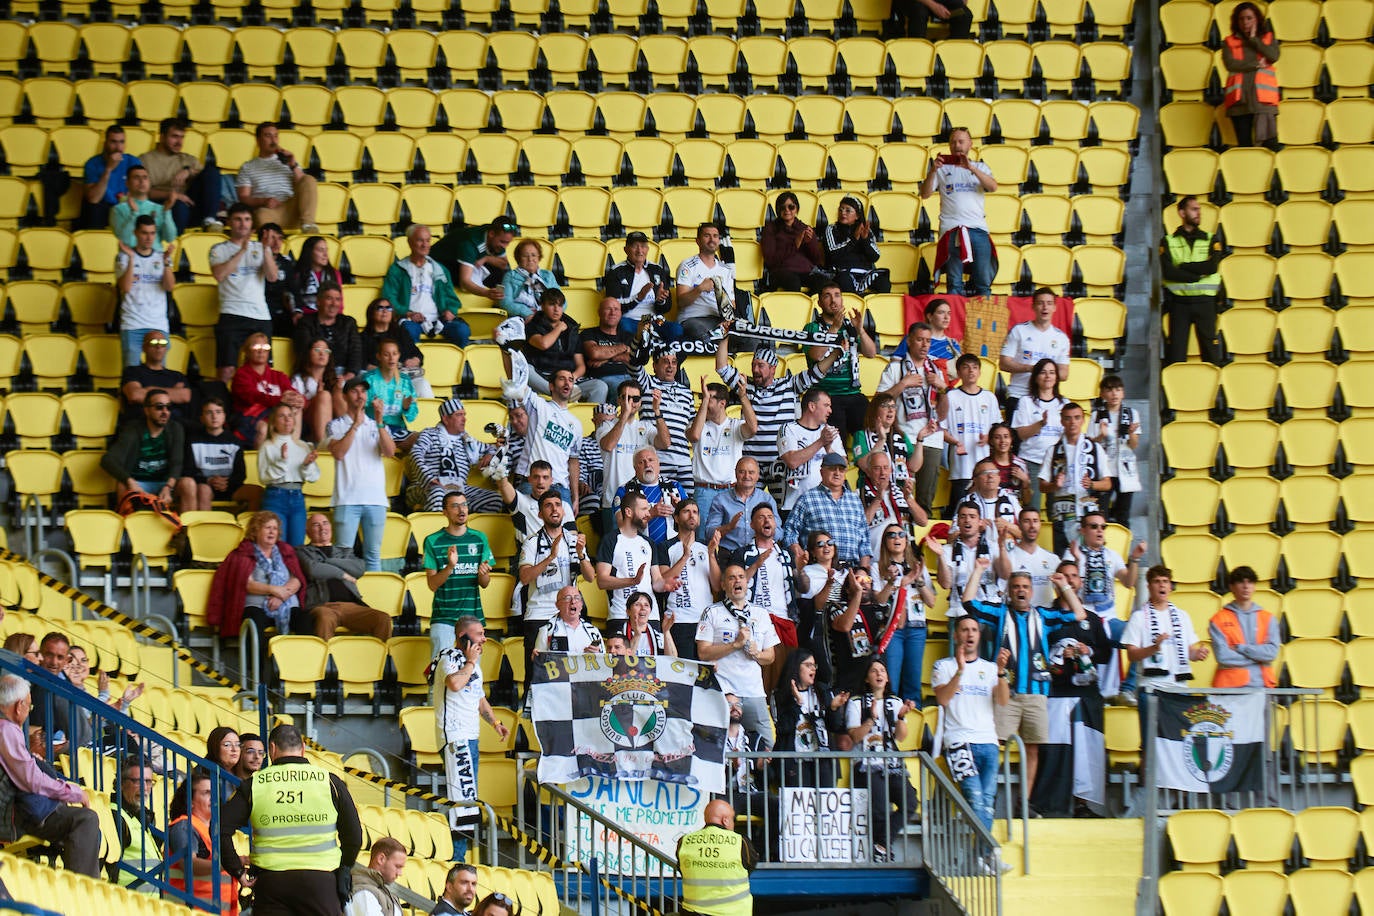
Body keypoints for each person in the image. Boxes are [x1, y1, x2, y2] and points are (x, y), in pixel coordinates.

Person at [960, 563, 1087, 796]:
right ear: (1009, 590)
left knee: (1032, 749)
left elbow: (1079, 614)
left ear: (1032, 591)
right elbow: (968, 603)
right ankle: (988, 797)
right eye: (1016, 586)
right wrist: (978, 570)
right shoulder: (999, 613)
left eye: (1026, 587)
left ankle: (1023, 804)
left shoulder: (1044, 616)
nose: (1021, 591)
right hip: (1006, 691)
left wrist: (1063, 586)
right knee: (994, 746)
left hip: (1037, 692)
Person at [218, 723, 364, 916]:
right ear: (303, 748)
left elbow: (220, 829)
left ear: (271, 749)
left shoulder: (255, 784)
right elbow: (354, 837)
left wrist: (237, 871)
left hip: (271, 884)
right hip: (321, 883)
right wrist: (344, 868)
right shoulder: (329, 782)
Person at [1032, 559, 1113, 818]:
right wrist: (1058, 655)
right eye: (1064, 576)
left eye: (1074, 576)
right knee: (1055, 750)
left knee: (1087, 751)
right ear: (1056, 582)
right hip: (1056, 693)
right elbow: (1034, 652)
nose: (1069, 580)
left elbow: (1107, 654)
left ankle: (1084, 804)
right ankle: (1049, 805)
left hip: (1087, 694)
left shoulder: (1092, 619)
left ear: (1079, 582)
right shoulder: (1044, 616)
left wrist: (1088, 650)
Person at [932, 616, 1010, 875]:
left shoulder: (990, 668)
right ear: (956, 636)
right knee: (976, 801)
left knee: (987, 803)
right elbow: (943, 699)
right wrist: (960, 670)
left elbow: (1002, 701)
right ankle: (988, 855)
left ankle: (979, 857)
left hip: (988, 741)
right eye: (964, 629)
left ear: (979, 635)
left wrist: (1000, 672)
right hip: (958, 742)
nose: (969, 634)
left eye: (974, 630)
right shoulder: (942, 666)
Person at [716, 338, 839, 504]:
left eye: (761, 365)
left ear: (773, 369)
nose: (755, 369)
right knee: (749, 508)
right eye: (754, 365)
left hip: (781, 463)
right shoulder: (746, 386)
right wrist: (725, 337)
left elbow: (816, 372)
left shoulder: (789, 385)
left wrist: (836, 352)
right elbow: (722, 367)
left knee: (781, 510)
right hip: (753, 464)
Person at [0, 674, 99, 877]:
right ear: (19, 706)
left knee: (81, 825)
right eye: (29, 706)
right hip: (14, 815)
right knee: (85, 819)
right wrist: (73, 792)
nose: (29, 711)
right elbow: (31, 780)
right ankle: (83, 891)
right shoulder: (6, 730)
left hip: (16, 810)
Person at [431, 616, 510, 846]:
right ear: (462, 637)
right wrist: (470, 663)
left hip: (471, 737)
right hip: (456, 737)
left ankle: (463, 860)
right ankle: (458, 860)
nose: (484, 639)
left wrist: (495, 723)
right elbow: (454, 684)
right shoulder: (450, 656)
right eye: (479, 634)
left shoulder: (472, 663)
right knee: (462, 803)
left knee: (468, 800)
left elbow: (479, 697)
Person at [1121, 567, 1211, 759]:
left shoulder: (1182, 616)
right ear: (1149, 586)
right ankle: (1146, 788)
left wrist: (1199, 653)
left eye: (1165, 581)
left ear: (1170, 586)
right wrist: (1153, 648)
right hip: (1152, 689)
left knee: (1180, 743)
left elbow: (1190, 651)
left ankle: (1174, 788)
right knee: (1150, 743)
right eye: (1157, 581)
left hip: (1178, 689)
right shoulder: (1139, 617)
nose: (1162, 585)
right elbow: (1132, 654)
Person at [697, 564, 780, 749]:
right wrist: (735, 645)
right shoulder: (712, 612)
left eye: (741, 577)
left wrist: (757, 653)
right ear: (724, 585)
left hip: (753, 691)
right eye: (732, 577)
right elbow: (703, 652)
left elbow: (771, 656)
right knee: (717, 748)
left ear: (747, 582)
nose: (737, 581)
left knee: (768, 746)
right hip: (724, 692)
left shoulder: (761, 613)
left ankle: (754, 779)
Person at [844, 659, 918, 862]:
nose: (879, 674)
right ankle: (881, 850)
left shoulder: (895, 702)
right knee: (880, 806)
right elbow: (855, 737)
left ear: (887, 678)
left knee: (910, 802)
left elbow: (901, 737)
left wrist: (901, 717)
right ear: (867, 678)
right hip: (866, 764)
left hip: (892, 764)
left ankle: (882, 844)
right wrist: (871, 719)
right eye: (874, 671)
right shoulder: (856, 702)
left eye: (883, 670)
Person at [326, 377, 396, 571]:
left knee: (373, 556)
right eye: (354, 391)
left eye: (363, 391)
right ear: (345, 396)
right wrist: (355, 425)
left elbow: (390, 452)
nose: (360, 395)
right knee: (342, 556)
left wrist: (380, 422)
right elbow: (338, 453)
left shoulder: (377, 424)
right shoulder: (336, 425)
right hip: (346, 499)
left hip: (375, 499)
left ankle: (373, 599)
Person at [501, 349, 583, 510]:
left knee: (565, 535)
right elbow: (516, 381)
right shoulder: (539, 406)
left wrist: (575, 496)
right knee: (530, 534)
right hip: (531, 484)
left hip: (561, 488)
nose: (567, 383)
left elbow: (573, 461)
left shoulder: (577, 424)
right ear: (551, 386)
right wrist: (504, 348)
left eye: (570, 380)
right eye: (562, 379)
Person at [921, 127, 998, 298]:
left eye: (961, 141)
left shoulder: (980, 167)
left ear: (970, 144)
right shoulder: (940, 169)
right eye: (953, 142)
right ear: (949, 146)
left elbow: (993, 187)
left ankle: (982, 323)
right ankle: (953, 323)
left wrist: (971, 167)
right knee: (954, 283)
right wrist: (933, 170)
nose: (957, 145)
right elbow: (924, 194)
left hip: (978, 229)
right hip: (951, 230)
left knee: (983, 282)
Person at [879, 322, 946, 514]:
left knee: (925, 499)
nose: (925, 345)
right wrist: (903, 384)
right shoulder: (895, 368)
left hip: (932, 438)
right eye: (920, 340)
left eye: (928, 341)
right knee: (899, 493)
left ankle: (920, 541)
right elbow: (878, 402)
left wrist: (944, 389)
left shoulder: (934, 371)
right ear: (909, 341)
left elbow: (942, 414)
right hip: (904, 437)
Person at [518, 491, 594, 658]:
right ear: (540, 513)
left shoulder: (573, 541)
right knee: (534, 675)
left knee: (566, 674)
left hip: (567, 615)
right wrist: (550, 557)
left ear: (564, 511)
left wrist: (581, 555)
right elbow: (524, 577)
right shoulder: (532, 542)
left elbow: (590, 577)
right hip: (538, 614)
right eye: (548, 505)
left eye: (558, 505)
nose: (554, 509)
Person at [211, 202, 279, 384]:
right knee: (226, 370)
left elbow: (273, 277)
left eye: (247, 220)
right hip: (231, 314)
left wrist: (265, 249)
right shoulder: (219, 249)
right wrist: (242, 250)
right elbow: (219, 275)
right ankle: (222, 410)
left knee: (263, 370)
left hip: (260, 316)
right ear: (230, 223)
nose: (243, 224)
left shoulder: (261, 248)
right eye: (238, 219)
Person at [298, 513, 394, 641]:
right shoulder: (302, 551)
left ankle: (381, 660)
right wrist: (342, 572)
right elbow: (313, 569)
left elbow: (359, 569)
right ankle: (325, 660)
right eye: (316, 525)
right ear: (307, 532)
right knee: (325, 618)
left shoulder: (344, 551)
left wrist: (328, 561)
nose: (322, 528)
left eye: (325, 523)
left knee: (383, 619)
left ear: (331, 528)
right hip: (323, 605)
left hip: (352, 606)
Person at [804, 284, 878, 445]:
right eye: (827, 296)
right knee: (838, 443)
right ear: (820, 303)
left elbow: (871, 353)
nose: (833, 300)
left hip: (853, 393)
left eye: (837, 295)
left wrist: (860, 330)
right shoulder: (812, 327)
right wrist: (834, 328)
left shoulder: (850, 328)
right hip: (827, 395)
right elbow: (816, 355)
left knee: (872, 435)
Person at [102, 388, 196, 513]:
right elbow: (107, 460)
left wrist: (168, 487)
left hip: (165, 483)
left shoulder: (175, 429)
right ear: (147, 410)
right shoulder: (133, 429)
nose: (165, 412)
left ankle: (186, 529)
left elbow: (177, 462)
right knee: (122, 485)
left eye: (168, 407)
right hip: (139, 483)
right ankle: (127, 531)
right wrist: (129, 481)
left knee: (188, 484)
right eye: (159, 407)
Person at [424, 492, 495, 655]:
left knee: (472, 675)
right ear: (445, 512)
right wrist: (450, 566)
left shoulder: (479, 538)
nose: (461, 510)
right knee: (442, 673)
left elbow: (484, 583)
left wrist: (483, 573)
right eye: (455, 506)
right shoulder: (433, 540)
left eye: (464, 504)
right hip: (444, 619)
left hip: (472, 619)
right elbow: (432, 585)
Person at [872, 524, 937, 704]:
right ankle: (889, 719)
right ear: (885, 542)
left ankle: (912, 723)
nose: (897, 538)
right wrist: (896, 582)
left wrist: (920, 581)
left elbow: (931, 602)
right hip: (892, 629)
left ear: (906, 540)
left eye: (901, 534)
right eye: (891, 535)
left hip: (917, 628)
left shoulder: (917, 566)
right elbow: (879, 601)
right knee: (890, 679)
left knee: (913, 681)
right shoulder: (877, 568)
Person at [406, 398, 503, 513]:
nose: (464, 419)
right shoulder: (429, 434)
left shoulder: (467, 440)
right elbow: (415, 454)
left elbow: (491, 448)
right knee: (438, 493)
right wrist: (429, 479)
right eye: (459, 415)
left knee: (494, 499)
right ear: (446, 419)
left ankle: (463, 525)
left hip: (458, 488)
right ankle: (438, 527)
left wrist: (490, 454)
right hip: (426, 486)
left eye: (464, 415)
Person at [381, 224, 471, 347]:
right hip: (410, 320)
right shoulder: (398, 270)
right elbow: (389, 299)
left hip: (438, 319)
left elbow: (452, 298)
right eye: (420, 240)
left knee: (462, 330)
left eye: (428, 240)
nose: (425, 245)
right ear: (409, 242)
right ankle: (412, 364)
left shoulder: (440, 269)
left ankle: (456, 364)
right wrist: (408, 313)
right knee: (408, 331)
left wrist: (450, 311)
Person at [779, 452, 872, 570]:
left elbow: (864, 538)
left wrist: (863, 570)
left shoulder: (854, 500)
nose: (837, 473)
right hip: (818, 570)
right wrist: (800, 554)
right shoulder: (808, 498)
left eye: (841, 470)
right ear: (822, 472)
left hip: (851, 570)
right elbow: (789, 531)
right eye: (832, 469)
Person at [1040, 402, 1112, 554]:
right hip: (1062, 514)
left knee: (1090, 557)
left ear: (1082, 420)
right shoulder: (1053, 450)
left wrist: (1092, 484)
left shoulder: (1095, 448)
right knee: (1063, 561)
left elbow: (1107, 483)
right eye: (1068, 418)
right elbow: (1042, 485)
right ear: (1061, 421)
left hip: (1089, 514)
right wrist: (1054, 485)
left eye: (1077, 418)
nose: (1072, 422)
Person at [166, 767, 240, 915]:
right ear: (190, 801)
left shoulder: (209, 831)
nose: (213, 797)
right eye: (206, 793)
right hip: (190, 910)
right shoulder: (184, 825)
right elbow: (188, 864)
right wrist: (229, 864)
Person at [688, 376, 759, 526]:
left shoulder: (735, 425)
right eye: (703, 398)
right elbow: (694, 435)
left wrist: (743, 396)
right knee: (703, 541)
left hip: (731, 491)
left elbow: (753, 428)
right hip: (704, 492)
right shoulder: (697, 424)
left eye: (710, 398)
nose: (705, 401)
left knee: (732, 538)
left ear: (722, 403)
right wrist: (705, 401)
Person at [1160, 196, 1223, 366]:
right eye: (1194, 209)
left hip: (1206, 303)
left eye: (1199, 209)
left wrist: (1183, 266)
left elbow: (1211, 267)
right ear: (1182, 213)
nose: (1198, 213)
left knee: (1211, 353)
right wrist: (1196, 276)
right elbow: (1167, 272)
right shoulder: (1168, 241)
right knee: (1176, 355)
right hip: (1179, 304)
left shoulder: (1212, 239)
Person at [773, 650, 849, 788]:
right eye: (808, 665)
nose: (813, 669)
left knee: (825, 807)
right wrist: (797, 703)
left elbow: (835, 726)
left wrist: (833, 708)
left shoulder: (822, 691)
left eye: (814, 665)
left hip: (823, 761)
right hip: (795, 763)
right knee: (800, 809)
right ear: (796, 667)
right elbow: (782, 728)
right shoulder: (781, 695)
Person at [656, 499, 720, 660]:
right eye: (686, 511)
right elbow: (663, 581)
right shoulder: (665, 547)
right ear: (676, 518)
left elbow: (717, 586)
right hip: (678, 619)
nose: (692, 515)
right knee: (681, 672)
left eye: (695, 512)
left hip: (705, 619)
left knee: (705, 674)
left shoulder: (707, 547)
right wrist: (684, 558)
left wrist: (711, 555)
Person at [598, 382, 670, 522]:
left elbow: (665, 443)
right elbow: (608, 445)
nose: (631, 402)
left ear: (640, 402)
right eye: (626, 398)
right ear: (618, 400)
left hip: (643, 503)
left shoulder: (646, 426)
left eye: (635, 399)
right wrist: (624, 415)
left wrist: (657, 411)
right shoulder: (606, 426)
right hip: (614, 500)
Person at [942, 352, 1003, 517]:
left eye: (975, 368)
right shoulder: (951, 396)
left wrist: (989, 438)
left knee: (983, 513)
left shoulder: (989, 398)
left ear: (980, 372)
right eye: (966, 367)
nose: (971, 371)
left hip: (985, 467)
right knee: (959, 512)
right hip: (961, 466)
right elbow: (942, 429)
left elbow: (997, 428)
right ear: (959, 372)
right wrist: (955, 442)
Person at [116, 217, 177, 374]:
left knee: (158, 372)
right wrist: (131, 259)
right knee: (131, 373)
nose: (149, 238)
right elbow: (125, 287)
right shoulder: (123, 256)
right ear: (135, 233)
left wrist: (166, 263)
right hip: (132, 324)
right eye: (144, 233)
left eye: (152, 233)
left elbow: (170, 286)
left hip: (158, 324)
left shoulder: (162, 257)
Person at [596, 490, 669, 622]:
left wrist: (667, 584)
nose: (648, 513)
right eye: (644, 509)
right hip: (621, 615)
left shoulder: (649, 543)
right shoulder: (610, 540)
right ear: (628, 512)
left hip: (650, 617)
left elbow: (657, 582)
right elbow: (602, 581)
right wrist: (632, 581)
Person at [141, 117, 223, 233]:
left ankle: (210, 220)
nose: (179, 142)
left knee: (212, 171)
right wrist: (173, 195)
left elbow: (209, 179)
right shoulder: (146, 160)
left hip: (191, 205)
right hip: (163, 206)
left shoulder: (187, 159)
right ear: (162, 137)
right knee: (179, 205)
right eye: (174, 137)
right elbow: (144, 192)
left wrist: (188, 172)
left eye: (182, 137)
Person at [525, 288, 606, 404]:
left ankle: (593, 420)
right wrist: (559, 328)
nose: (556, 309)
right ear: (542, 306)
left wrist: (569, 380)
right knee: (526, 369)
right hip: (544, 377)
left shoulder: (571, 329)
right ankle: (559, 392)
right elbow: (543, 344)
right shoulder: (533, 325)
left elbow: (581, 366)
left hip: (569, 378)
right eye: (552, 305)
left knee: (600, 386)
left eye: (560, 305)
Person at [676, 799, 754, 916]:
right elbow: (750, 866)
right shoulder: (740, 842)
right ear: (725, 820)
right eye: (733, 819)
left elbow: (682, 869)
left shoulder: (685, 841)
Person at [236, 122, 319, 231]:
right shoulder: (248, 167)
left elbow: (304, 185)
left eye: (276, 136)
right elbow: (244, 197)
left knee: (309, 178)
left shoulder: (288, 161)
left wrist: (293, 165)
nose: (273, 140)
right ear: (258, 140)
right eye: (268, 136)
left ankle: (308, 225)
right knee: (260, 215)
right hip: (270, 212)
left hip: (292, 208)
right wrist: (264, 201)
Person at [258, 403, 320, 546]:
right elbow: (264, 477)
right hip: (275, 496)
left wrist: (307, 465)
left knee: (297, 546)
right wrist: (281, 461)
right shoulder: (267, 446)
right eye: (282, 416)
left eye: (290, 416)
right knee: (276, 545)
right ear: (273, 422)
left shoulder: (303, 446)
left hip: (297, 496)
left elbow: (314, 477)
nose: (287, 420)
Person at [1010, 359, 1069, 511]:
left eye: (1051, 372)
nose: (1047, 376)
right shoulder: (1026, 402)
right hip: (1032, 461)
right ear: (1035, 377)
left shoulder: (1064, 404)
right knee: (1032, 509)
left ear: (1056, 377)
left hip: (1057, 463)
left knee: (1057, 510)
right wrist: (1040, 424)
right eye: (1043, 372)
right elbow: (1021, 434)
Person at [635, 347, 696, 490]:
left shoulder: (687, 392)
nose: (670, 366)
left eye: (674, 362)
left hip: (684, 461)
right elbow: (635, 366)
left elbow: (692, 426)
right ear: (654, 365)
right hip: (657, 460)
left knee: (686, 507)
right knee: (659, 506)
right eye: (665, 362)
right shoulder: (647, 384)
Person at [1208, 566, 1279, 689]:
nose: (1246, 586)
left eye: (1250, 582)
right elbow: (1223, 656)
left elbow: (1272, 653)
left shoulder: (1268, 618)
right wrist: (1259, 658)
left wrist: (1241, 648)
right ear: (1231, 587)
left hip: (1262, 685)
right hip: (1230, 688)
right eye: (1241, 582)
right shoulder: (1218, 619)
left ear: (1254, 586)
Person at [1000, 289, 1071, 407]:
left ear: (1054, 307)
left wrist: (1045, 373)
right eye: (1040, 303)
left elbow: (1064, 374)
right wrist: (1032, 369)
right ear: (1033, 306)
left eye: (1049, 303)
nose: (1045, 307)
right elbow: (1003, 364)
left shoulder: (1061, 338)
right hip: (1019, 395)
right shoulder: (1019, 331)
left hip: (1047, 398)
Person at [1222, 2, 1280, 147]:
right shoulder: (1229, 41)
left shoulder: (1267, 38)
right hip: (1239, 101)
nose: (1245, 22)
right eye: (1241, 19)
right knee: (1244, 145)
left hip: (1263, 102)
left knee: (1270, 145)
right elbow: (1231, 64)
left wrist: (1254, 40)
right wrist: (1255, 65)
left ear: (1257, 19)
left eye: (1249, 18)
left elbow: (1273, 56)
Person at [778, 388, 844, 514]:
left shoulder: (830, 431)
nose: (830, 410)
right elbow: (792, 461)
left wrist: (829, 448)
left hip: (825, 505)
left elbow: (842, 465)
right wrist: (821, 442)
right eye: (826, 405)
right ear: (812, 406)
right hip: (795, 505)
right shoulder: (789, 429)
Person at [232, 332, 303, 448]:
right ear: (247, 351)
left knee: (296, 406)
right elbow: (252, 397)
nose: (261, 351)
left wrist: (300, 400)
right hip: (250, 416)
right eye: (256, 347)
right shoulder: (241, 374)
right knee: (264, 427)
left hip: (275, 415)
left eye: (265, 347)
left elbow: (293, 393)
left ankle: (293, 447)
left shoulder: (278, 375)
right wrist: (280, 400)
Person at [432, 219, 517, 313]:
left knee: (502, 274)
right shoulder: (469, 243)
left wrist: (487, 259)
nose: (505, 246)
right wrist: (486, 293)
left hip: (465, 260)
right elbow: (465, 282)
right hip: (441, 264)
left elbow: (504, 264)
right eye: (502, 242)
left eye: (507, 243)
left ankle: (503, 305)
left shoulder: (496, 239)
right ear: (491, 234)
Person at [935, 503, 1011, 607]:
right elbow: (945, 584)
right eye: (963, 516)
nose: (967, 520)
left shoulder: (993, 547)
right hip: (959, 609)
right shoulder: (947, 550)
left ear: (980, 522)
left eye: (972, 516)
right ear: (957, 521)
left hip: (989, 608)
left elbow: (1005, 575)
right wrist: (940, 556)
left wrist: (1002, 548)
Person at [188, 398, 256, 512]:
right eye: (209, 412)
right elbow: (187, 472)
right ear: (202, 418)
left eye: (218, 412)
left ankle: (253, 528)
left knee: (257, 492)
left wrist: (227, 483)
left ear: (224, 416)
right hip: (205, 486)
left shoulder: (235, 442)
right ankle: (205, 528)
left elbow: (241, 474)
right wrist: (208, 481)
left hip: (230, 488)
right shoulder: (192, 442)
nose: (214, 416)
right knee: (203, 489)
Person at [1092, 375, 1142, 525]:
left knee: (1123, 515)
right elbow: (1091, 445)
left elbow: (1134, 445)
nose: (1114, 394)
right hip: (1104, 471)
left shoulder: (1131, 414)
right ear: (1102, 394)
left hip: (1125, 469)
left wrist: (1132, 433)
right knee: (1101, 515)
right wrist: (1101, 435)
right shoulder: (1096, 415)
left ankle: (1122, 546)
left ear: (1123, 393)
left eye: (1118, 390)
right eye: (1110, 390)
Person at [677, 222, 740, 342]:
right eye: (707, 236)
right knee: (699, 331)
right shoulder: (687, 266)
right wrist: (699, 289)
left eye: (715, 236)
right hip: (694, 319)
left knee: (749, 337)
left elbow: (732, 304)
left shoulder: (726, 270)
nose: (712, 239)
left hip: (719, 320)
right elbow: (681, 302)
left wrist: (728, 321)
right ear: (698, 241)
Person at [702, 457, 778, 555]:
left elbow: (779, 532)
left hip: (760, 552)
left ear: (758, 476)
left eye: (751, 472)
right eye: (742, 472)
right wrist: (729, 527)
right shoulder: (721, 499)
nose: (747, 476)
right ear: (735, 473)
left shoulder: (767, 499)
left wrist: (763, 531)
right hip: (729, 553)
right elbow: (709, 533)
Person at [612, 448, 687, 545]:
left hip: (672, 547)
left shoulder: (674, 487)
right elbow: (622, 525)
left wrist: (680, 510)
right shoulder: (624, 491)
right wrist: (650, 514)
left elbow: (691, 520)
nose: (647, 465)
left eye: (651, 460)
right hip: (637, 548)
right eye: (641, 462)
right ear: (635, 468)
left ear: (658, 464)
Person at [604, 231, 675, 334]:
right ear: (626, 250)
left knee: (676, 329)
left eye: (643, 246)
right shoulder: (616, 272)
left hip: (653, 320)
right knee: (624, 327)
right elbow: (614, 306)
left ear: (648, 249)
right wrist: (638, 297)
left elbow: (666, 307)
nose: (639, 251)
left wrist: (660, 301)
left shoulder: (657, 270)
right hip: (629, 320)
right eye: (634, 246)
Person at [295, 284, 364, 381]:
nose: (334, 303)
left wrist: (346, 377)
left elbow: (356, 353)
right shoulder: (305, 323)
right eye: (329, 298)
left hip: (345, 375)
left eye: (337, 299)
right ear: (318, 301)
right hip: (315, 374)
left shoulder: (348, 323)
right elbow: (305, 354)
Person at [762, 190, 827, 293]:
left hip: (805, 271)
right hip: (781, 271)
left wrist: (810, 243)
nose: (787, 210)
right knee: (793, 282)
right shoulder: (771, 229)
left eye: (791, 207)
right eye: (782, 207)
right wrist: (795, 244)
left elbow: (816, 259)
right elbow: (771, 260)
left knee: (822, 283)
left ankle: (811, 308)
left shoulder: (804, 228)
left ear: (797, 208)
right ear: (778, 210)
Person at [111, 755, 161, 888]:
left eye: (149, 781)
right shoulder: (116, 816)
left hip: (147, 903)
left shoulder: (141, 818)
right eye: (137, 781)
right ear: (121, 784)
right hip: (125, 901)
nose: (145, 787)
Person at [121, 330, 192, 423]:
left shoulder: (177, 375)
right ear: (144, 347)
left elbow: (185, 396)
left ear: (166, 348)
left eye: (163, 343)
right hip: (140, 423)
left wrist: (148, 390)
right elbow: (135, 395)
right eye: (153, 342)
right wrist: (173, 393)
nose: (158, 346)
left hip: (172, 425)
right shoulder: (132, 371)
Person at [360, 339, 419, 451]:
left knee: (423, 441)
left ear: (399, 356)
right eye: (386, 354)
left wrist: (406, 407)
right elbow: (359, 408)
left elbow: (412, 417)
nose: (391, 358)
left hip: (397, 430)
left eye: (394, 354)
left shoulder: (405, 381)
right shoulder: (369, 379)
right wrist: (373, 407)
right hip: (373, 429)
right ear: (379, 356)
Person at [821, 196, 888, 294]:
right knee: (844, 281)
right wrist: (853, 240)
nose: (843, 213)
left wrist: (865, 240)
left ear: (857, 216)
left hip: (864, 273)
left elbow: (875, 256)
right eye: (841, 210)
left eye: (848, 210)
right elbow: (832, 255)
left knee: (883, 283)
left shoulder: (865, 230)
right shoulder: (831, 229)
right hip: (842, 272)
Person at [80, 124, 141, 230]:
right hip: (103, 207)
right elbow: (94, 199)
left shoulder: (133, 162)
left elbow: (141, 192)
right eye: (113, 142)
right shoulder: (92, 164)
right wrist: (108, 169)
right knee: (93, 209)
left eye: (122, 142)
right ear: (105, 143)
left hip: (126, 206)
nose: (118, 148)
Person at [581, 298, 642, 400]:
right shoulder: (589, 333)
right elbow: (594, 353)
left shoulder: (628, 336)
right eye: (608, 309)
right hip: (604, 378)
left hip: (630, 376)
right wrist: (622, 348)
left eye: (616, 309)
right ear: (599, 312)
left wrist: (606, 359)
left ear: (620, 313)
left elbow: (633, 357)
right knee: (625, 391)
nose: (612, 313)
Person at [291, 336, 343, 445]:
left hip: (335, 424)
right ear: (308, 353)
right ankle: (323, 443)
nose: (322, 354)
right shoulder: (299, 380)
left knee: (341, 395)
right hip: (307, 426)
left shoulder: (335, 380)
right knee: (324, 396)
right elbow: (296, 408)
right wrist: (318, 398)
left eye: (326, 351)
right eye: (317, 350)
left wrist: (338, 391)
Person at [1005, 507, 1060, 609]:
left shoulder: (1052, 559)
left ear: (1040, 524)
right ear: (1019, 525)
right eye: (1027, 521)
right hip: (1019, 617)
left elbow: (1061, 591)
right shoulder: (1009, 557)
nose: (1032, 526)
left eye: (1035, 521)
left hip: (1045, 619)